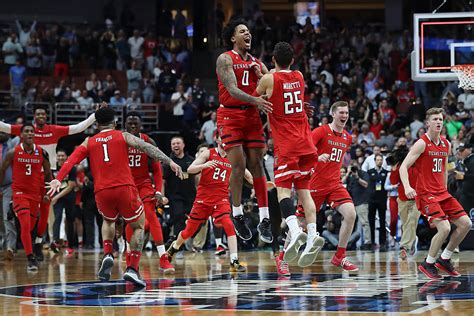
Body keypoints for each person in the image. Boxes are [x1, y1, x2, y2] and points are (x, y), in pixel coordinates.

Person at [48, 107, 183, 287]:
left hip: (102, 191)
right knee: (138, 225)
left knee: (108, 221)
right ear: (116, 122)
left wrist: (58, 179)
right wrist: (170, 161)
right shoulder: (122, 135)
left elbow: (71, 160)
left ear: (97, 124)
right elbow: (147, 147)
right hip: (125, 187)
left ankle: (108, 253)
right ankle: (132, 269)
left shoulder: (89, 141)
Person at [256, 42, 325, 269]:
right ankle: (313, 234)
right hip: (306, 144)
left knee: (283, 191)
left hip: (287, 145)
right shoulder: (299, 76)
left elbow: (255, 96)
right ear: (292, 61)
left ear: (273, 59)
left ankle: (295, 231)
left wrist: (261, 76)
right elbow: (281, 83)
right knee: (304, 191)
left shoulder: (269, 80)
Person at [0, 103, 98, 261]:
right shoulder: (26, 130)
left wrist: (95, 115)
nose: (40, 117)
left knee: (45, 211)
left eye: (43, 114)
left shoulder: (54, 130)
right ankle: (28, 235)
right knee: (30, 218)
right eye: (38, 114)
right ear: (34, 116)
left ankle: (38, 242)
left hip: (47, 177)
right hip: (28, 178)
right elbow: (3, 127)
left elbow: (79, 128)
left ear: (46, 117)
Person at [216, 19, 273, 243]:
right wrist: (256, 100)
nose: (247, 34)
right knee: (238, 165)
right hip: (230, 115)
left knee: (258, 164)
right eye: (242, 32)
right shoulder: (224, 59)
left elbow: (272, 86)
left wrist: (260, 76)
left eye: (249, 32)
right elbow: (232, 89)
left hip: (251, 116)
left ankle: (265, 219)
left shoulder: (257, 62)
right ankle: (237, 214)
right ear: (233, 38)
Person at [400, 107, 472, 279]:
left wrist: (445, 188)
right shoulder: (422, 143)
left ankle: (444, 259)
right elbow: (403, 166)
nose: (439, 122)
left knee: (466, 224)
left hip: (442, 193)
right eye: (435, 120)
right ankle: (428, 263)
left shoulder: (446, 144)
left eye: (440, 119)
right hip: (426, 194)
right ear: (427, 123)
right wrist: (408, 187)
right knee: (445, 228)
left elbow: (444, 170)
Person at [167, 133, 247, 272]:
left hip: (221, 199)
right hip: (203, 199)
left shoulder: (233, 157)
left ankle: (234, 262)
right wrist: (204, 165)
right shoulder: (208, 153)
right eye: (223, 137)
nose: (226, 140)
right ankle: (174, 247)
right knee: (188, 232)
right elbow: (190, 169)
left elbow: (246, 173)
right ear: (217, 139)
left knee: (228, 225)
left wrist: (260, 183)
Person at [308, 101, 359, 271]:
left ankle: (340, 256)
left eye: (346, 113)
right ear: (333, 114)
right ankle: (282, 256)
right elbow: (304, 150)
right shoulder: (320, 131)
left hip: (335, 184)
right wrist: (317, 157)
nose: (344, 116)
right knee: (301, 223)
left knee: (351, 214)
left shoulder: (347, 137)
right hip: (315, 184)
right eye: (341, 113)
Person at [123, 112, 174, 272]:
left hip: (144, 184)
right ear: (125, 124)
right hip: (126, 184)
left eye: (135, 123)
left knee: (151, 216)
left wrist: (158, 191)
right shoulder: (120, 140)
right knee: (131, 220)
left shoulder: (148, 141)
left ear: (140, 124)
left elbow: (157, 171)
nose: (132, 125)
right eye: (129, 123)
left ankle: (163, 258)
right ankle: (129, 254)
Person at [0, 124, 52, 271]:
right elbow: (3, 169)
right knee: (25, 225)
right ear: (21, 135)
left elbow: (48, 174)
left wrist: (47, 192)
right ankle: (30, 258)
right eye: (26, 131)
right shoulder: (12, 152)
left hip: (35, 195)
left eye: (32, 131)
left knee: (29, 228)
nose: (30, 134)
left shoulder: (42, 152)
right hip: (19, 193)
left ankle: (12, 208)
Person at [51, 149, 76, 252]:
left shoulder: (71, 168)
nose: (60, 157)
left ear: (66, 157)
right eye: (59, 156)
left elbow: (71, 186)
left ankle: (71, 245)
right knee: (57, 218)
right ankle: (56, 242)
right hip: (57, 194)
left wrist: (57, 197)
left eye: (63, 156)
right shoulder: (53, 168)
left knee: (70, 220)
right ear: (56, 157)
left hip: (68, 195)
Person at [0, 132, 19, 260]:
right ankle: (3, 244)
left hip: (8, 186)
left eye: (4, 130)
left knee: (8, 216)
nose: (2, 133)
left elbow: (23, 132)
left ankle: (10, 248)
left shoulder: (12, 143)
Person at [367, 154, 389, 251]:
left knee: (382, 221)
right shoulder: (370, 172)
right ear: (375, 161)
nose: (379, 161)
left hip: (382, 199)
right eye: (378, 160)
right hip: (371, 199)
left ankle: (382, 242)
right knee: (371, 221)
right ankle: (372, 242)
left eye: (381, 160)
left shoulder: (386, 172)